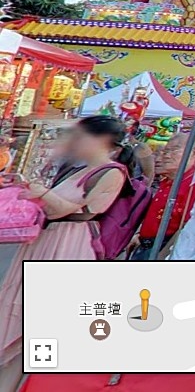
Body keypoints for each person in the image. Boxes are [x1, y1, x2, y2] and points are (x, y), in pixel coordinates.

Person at [0, 116, 134, 392]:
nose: (74, 142)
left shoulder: (112, 173)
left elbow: (71, 211)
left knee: (37, 318)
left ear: (101, 140)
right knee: (21, 309)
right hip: (46, 240)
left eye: (80, 136)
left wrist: (42, 193)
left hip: (68, 243)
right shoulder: (80, 168)